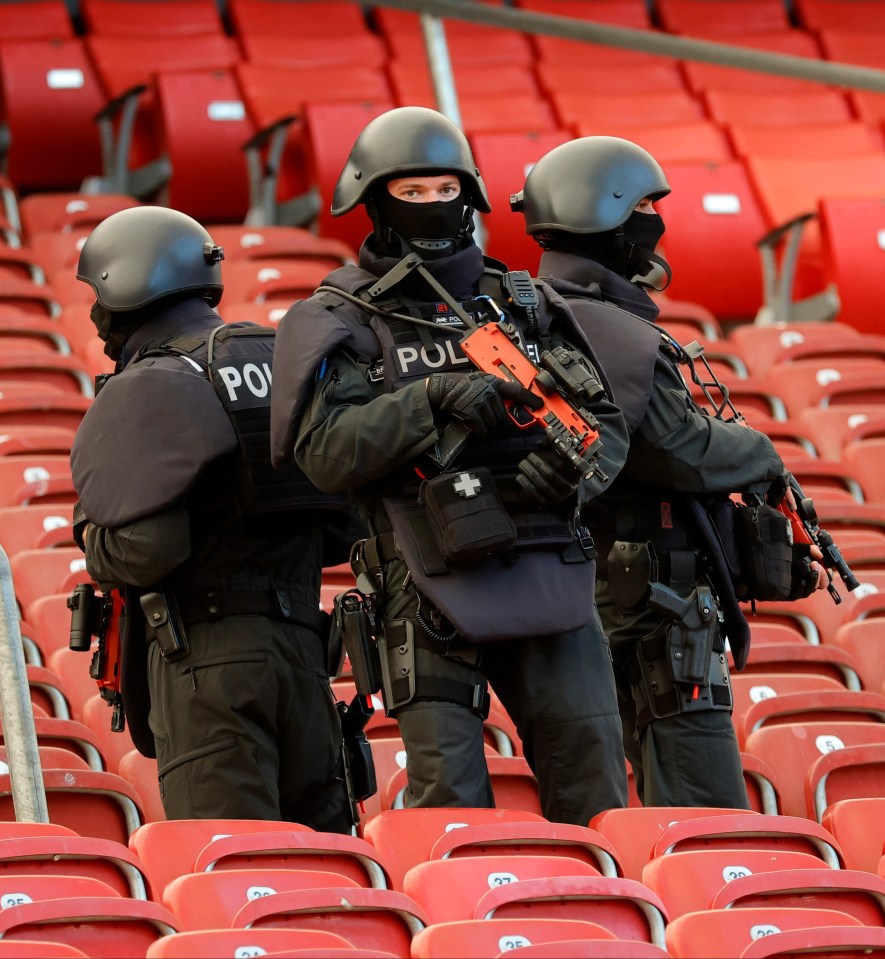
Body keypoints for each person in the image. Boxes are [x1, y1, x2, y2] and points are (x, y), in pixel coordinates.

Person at [270, 106, 631, 826]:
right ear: (373, 201)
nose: (433, 206)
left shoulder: (523, 301)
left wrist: (571, 473)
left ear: (468, 192)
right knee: (452, 805)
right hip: (423, 578)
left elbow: (607, 429)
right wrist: (432, 400)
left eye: (445, 190)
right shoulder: (339, 318)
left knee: (593, 779)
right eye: (413, 193)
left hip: (545, 560)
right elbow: (323, 454)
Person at [512, 135, 830, 808]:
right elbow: (673, 447)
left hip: (602, 586)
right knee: (703, 803)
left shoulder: (550, 313)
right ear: (601, 212)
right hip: (650, 600)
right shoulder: (602, 325)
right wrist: (760, 451)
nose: (655, 221)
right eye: (644, 205)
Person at [69, 205, 353, 831]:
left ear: (125, 286)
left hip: (209, 662)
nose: (95, 316)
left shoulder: (156, 380)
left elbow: (148, 549)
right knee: (327, 876)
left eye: (97, 295)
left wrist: (92, 538)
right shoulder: (280, 360)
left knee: (237, 868)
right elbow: (342, 524)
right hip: (306, 657)